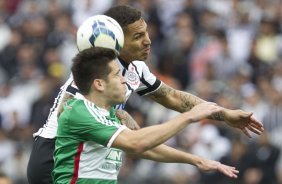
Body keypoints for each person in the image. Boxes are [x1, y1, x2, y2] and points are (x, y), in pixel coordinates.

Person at [27, 5, 264, 184]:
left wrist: (224, 114)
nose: (148, 41)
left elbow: (174, 98)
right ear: (117, 39)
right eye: (138, 36)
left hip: (91, 153)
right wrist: (115, 116)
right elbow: (67, 111)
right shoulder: (96, 71)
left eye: (146, 33)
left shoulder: (135, 68)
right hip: (54, 157)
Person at [53, 47, 239, 183]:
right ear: (99, 84)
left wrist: (196, 160)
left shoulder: (107, 112)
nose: (124, 79)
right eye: (118, 75)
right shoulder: (79, 111)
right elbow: (137, 142)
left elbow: (143, 147)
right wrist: (189, 116)